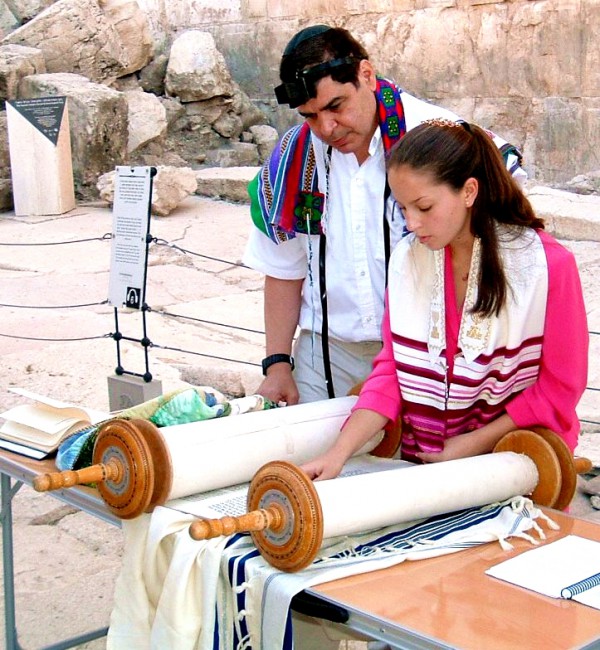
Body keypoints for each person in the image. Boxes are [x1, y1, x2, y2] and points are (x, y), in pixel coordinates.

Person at [244, 24, 526, 406]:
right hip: (326, 359)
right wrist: (277, 364)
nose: (326, 128)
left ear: (366, 74)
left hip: (428, 356)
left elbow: (507, 227)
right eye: (310, 116)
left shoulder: (436, 136)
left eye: (335, 106)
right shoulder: (294, 159)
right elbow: (283, 266)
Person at [301, 118, 589, 481]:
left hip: (519, 462)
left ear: (469, 192)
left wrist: (472, 444)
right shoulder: (408, 260)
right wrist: (338, 454)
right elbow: (393, 369)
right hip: (428, 468)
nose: (412, 224)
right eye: (403, 208)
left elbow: (559, 388)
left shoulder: (548, 267)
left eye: (423, 207)